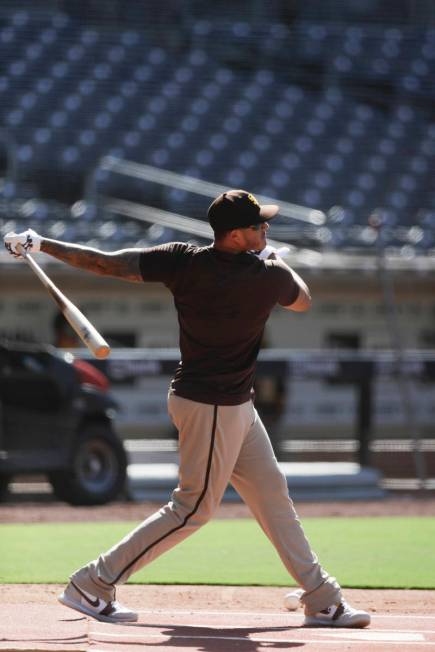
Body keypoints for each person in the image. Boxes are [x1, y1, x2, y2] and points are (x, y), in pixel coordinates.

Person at [4, 189, 370, 628]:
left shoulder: (184, 259)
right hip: (213, 406)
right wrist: (274, 256)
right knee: (193, 509)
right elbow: (304, 298)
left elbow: (106, 261)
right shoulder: (266, 275)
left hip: (221, 403)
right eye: (257, 226)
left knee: (271, 492)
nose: (265, 229)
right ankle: (94, 582)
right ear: (235, 235)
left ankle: (321, 596)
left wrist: (42, 244)